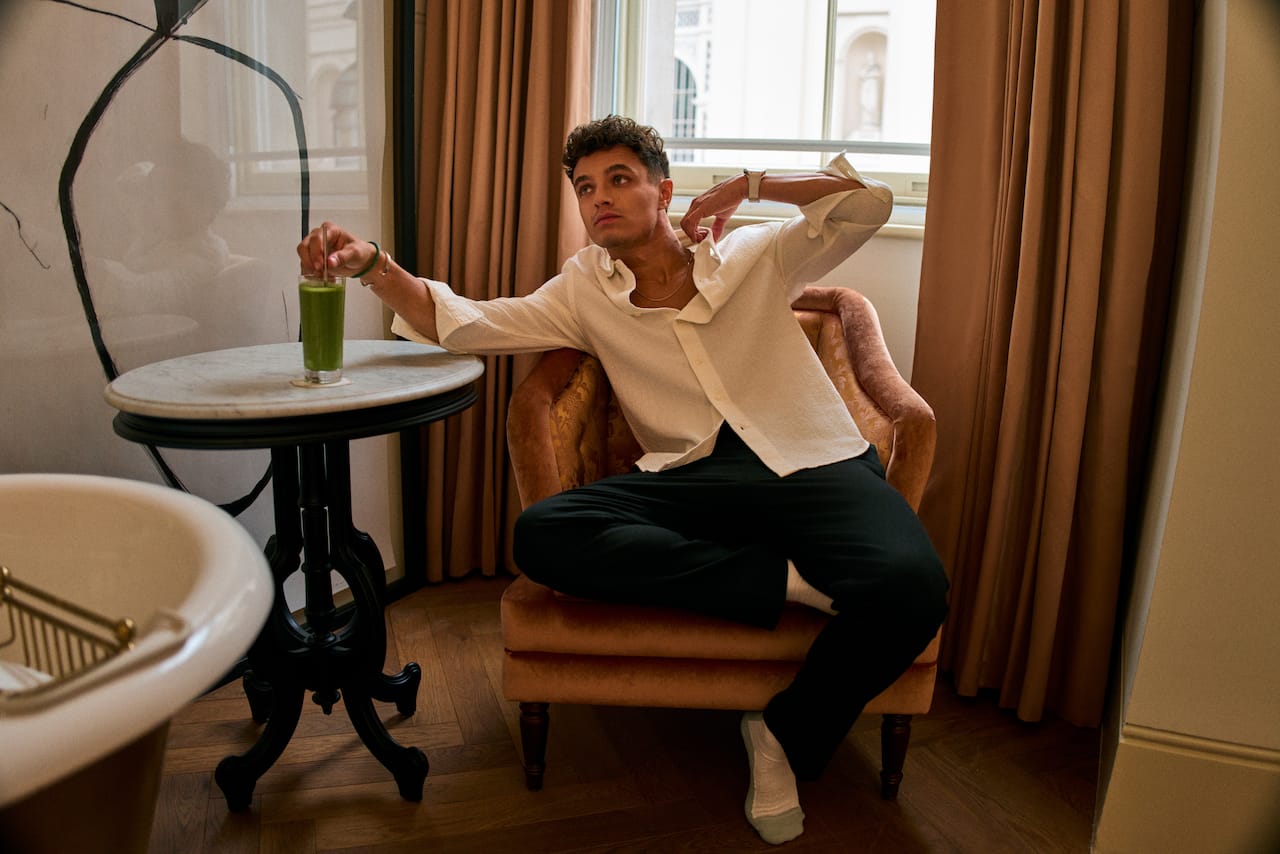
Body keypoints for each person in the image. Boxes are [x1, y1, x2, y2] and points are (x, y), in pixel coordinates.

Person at [298, 115, 948, 846]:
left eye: (618, 179)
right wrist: (372, 264)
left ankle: (781, 735)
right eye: (584, 188)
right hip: (692, 475)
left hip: (813, 458)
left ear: (663, 192)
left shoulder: (753, 254)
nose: (598, 198)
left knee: (916, 589)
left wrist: (749, 184)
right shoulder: (582, 288)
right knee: (544, 534)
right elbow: (467, 322)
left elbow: (865, 204)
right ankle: (790, 582)